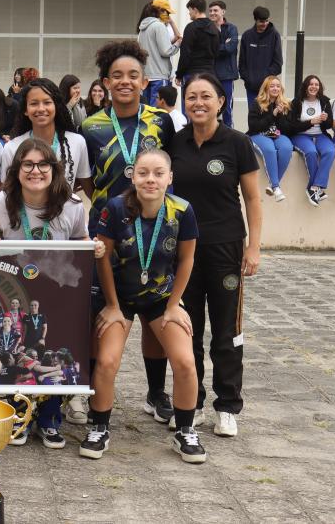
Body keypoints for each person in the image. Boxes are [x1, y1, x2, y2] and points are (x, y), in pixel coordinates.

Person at [81, 148, 205, 464]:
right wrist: (110, 305)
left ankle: (186, 430)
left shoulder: (183, 210)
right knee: (107, 362)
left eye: (158, 173)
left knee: (185, 362)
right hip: (120, 297)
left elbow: (187, 258)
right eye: (144, 173)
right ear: (133, 176)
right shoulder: (115, 208)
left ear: (169, 178)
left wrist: (175, 304)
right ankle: (98, 427)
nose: (151, 180)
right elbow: (102, 258)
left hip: (161, 298)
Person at [80, 40, 177, 427]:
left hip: (154, 231)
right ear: (105, 81)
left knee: (153, 306)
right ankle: (91, 391)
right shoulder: (91, 126)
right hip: (106, 231)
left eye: (132, 76)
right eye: (117, 76)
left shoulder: (161, 122)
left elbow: (169, 172)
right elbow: (87, 181)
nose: (125, 81)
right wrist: (111, 210)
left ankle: (155, 393)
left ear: (145, 81)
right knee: (99, 312)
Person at [0, 137, 102, 448]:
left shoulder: (72, 206)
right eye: (27, 164)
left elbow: (80, 240)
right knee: (18, 355)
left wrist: (93, 246)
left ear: (54, 170)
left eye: (42, 164)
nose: (35, 170)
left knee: (54, 353)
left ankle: (50, 417)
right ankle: (18, 414)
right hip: (15, 295)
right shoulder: (2, 202)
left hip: (56, 296)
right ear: (17, 169)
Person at [167, 72, 262, 437]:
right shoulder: (176, 143)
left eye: (206, 96)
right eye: (192, 97)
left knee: (226, 331)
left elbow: (253, 198)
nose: (198, 103)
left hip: (226, 247)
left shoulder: (237, 143)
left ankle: (227, 405)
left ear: (220, 102)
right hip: (184, 249)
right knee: (187, 329)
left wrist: (253, 247)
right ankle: (192, 404)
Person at [0, 78, 90, 192]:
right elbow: (7, 190)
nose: (41, 109)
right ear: (25, 110)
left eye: (47, 102)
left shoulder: (77, 142)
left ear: (56, 106)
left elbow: (87, 185)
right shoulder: (12, 148)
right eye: (34, 103)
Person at [288, 75, 335, 206]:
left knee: (330, 151)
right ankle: (316, 190)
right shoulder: (297, 102)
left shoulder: (325, 101)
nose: (314, 87)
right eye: (311, 84)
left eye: (316, 84)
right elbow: (292, 126)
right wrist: (310, 122)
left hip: (320, 135)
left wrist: (326, 120)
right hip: (301, 135)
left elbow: (329, 125)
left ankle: (314, 187)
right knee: (311, 152)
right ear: (305, 86)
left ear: (319, 87)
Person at [247, 76, 294, 202]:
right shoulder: (257, 103)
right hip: (259, 134)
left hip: (277, 135)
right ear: (266, 88)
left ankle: (273, 184)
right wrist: (272, 115)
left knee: (286, 147)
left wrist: (281, 114)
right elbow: (254, 126)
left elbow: (287, 128)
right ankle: (276, 187)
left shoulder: (286, 104)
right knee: (270, 149)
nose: (275, 88)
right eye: (272, 86)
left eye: (278, 86)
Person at [239, 6, 283, 114]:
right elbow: (242, 63)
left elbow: (278, 64)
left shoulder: (275, 36)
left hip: (269, 88)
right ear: (255, 20)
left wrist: (266, 81)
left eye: (267, 21)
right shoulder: (247, 36)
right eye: (261, 21)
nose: (264, 24)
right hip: (251, 87)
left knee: (269, 116)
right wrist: (248, 78)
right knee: (254, 116)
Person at [137, 2, 179, 107]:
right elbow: (166, 51)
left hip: (146, 77)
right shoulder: (159, 26)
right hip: (159, 76)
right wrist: (178, 44)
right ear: (160, 11)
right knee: (158, 110)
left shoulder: (142, 29)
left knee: (146, 110)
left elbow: (154, 48)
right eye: (167, 12)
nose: (168, 16)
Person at [175, 0, 220, 87]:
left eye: (190, 10)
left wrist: (179, 74)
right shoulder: (214, 27)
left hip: (192, 74)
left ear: (195, 10)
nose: (189, 13)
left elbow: (185, 54)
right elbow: (216, 51)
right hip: (209, 74)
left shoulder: (191, 28)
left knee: (190, 100)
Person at [208, 1, 239, 127]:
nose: (212, 13)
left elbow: (230, 48)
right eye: (210, 11)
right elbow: (207, 49)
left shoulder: (231, 28)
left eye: (215, 10)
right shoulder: (207, 28)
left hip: (227, 75)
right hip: (211, 74)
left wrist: (217, 48)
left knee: (226, 108)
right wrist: (223, 45)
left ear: (223, 12)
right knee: (211, 106)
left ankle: (229, 133)